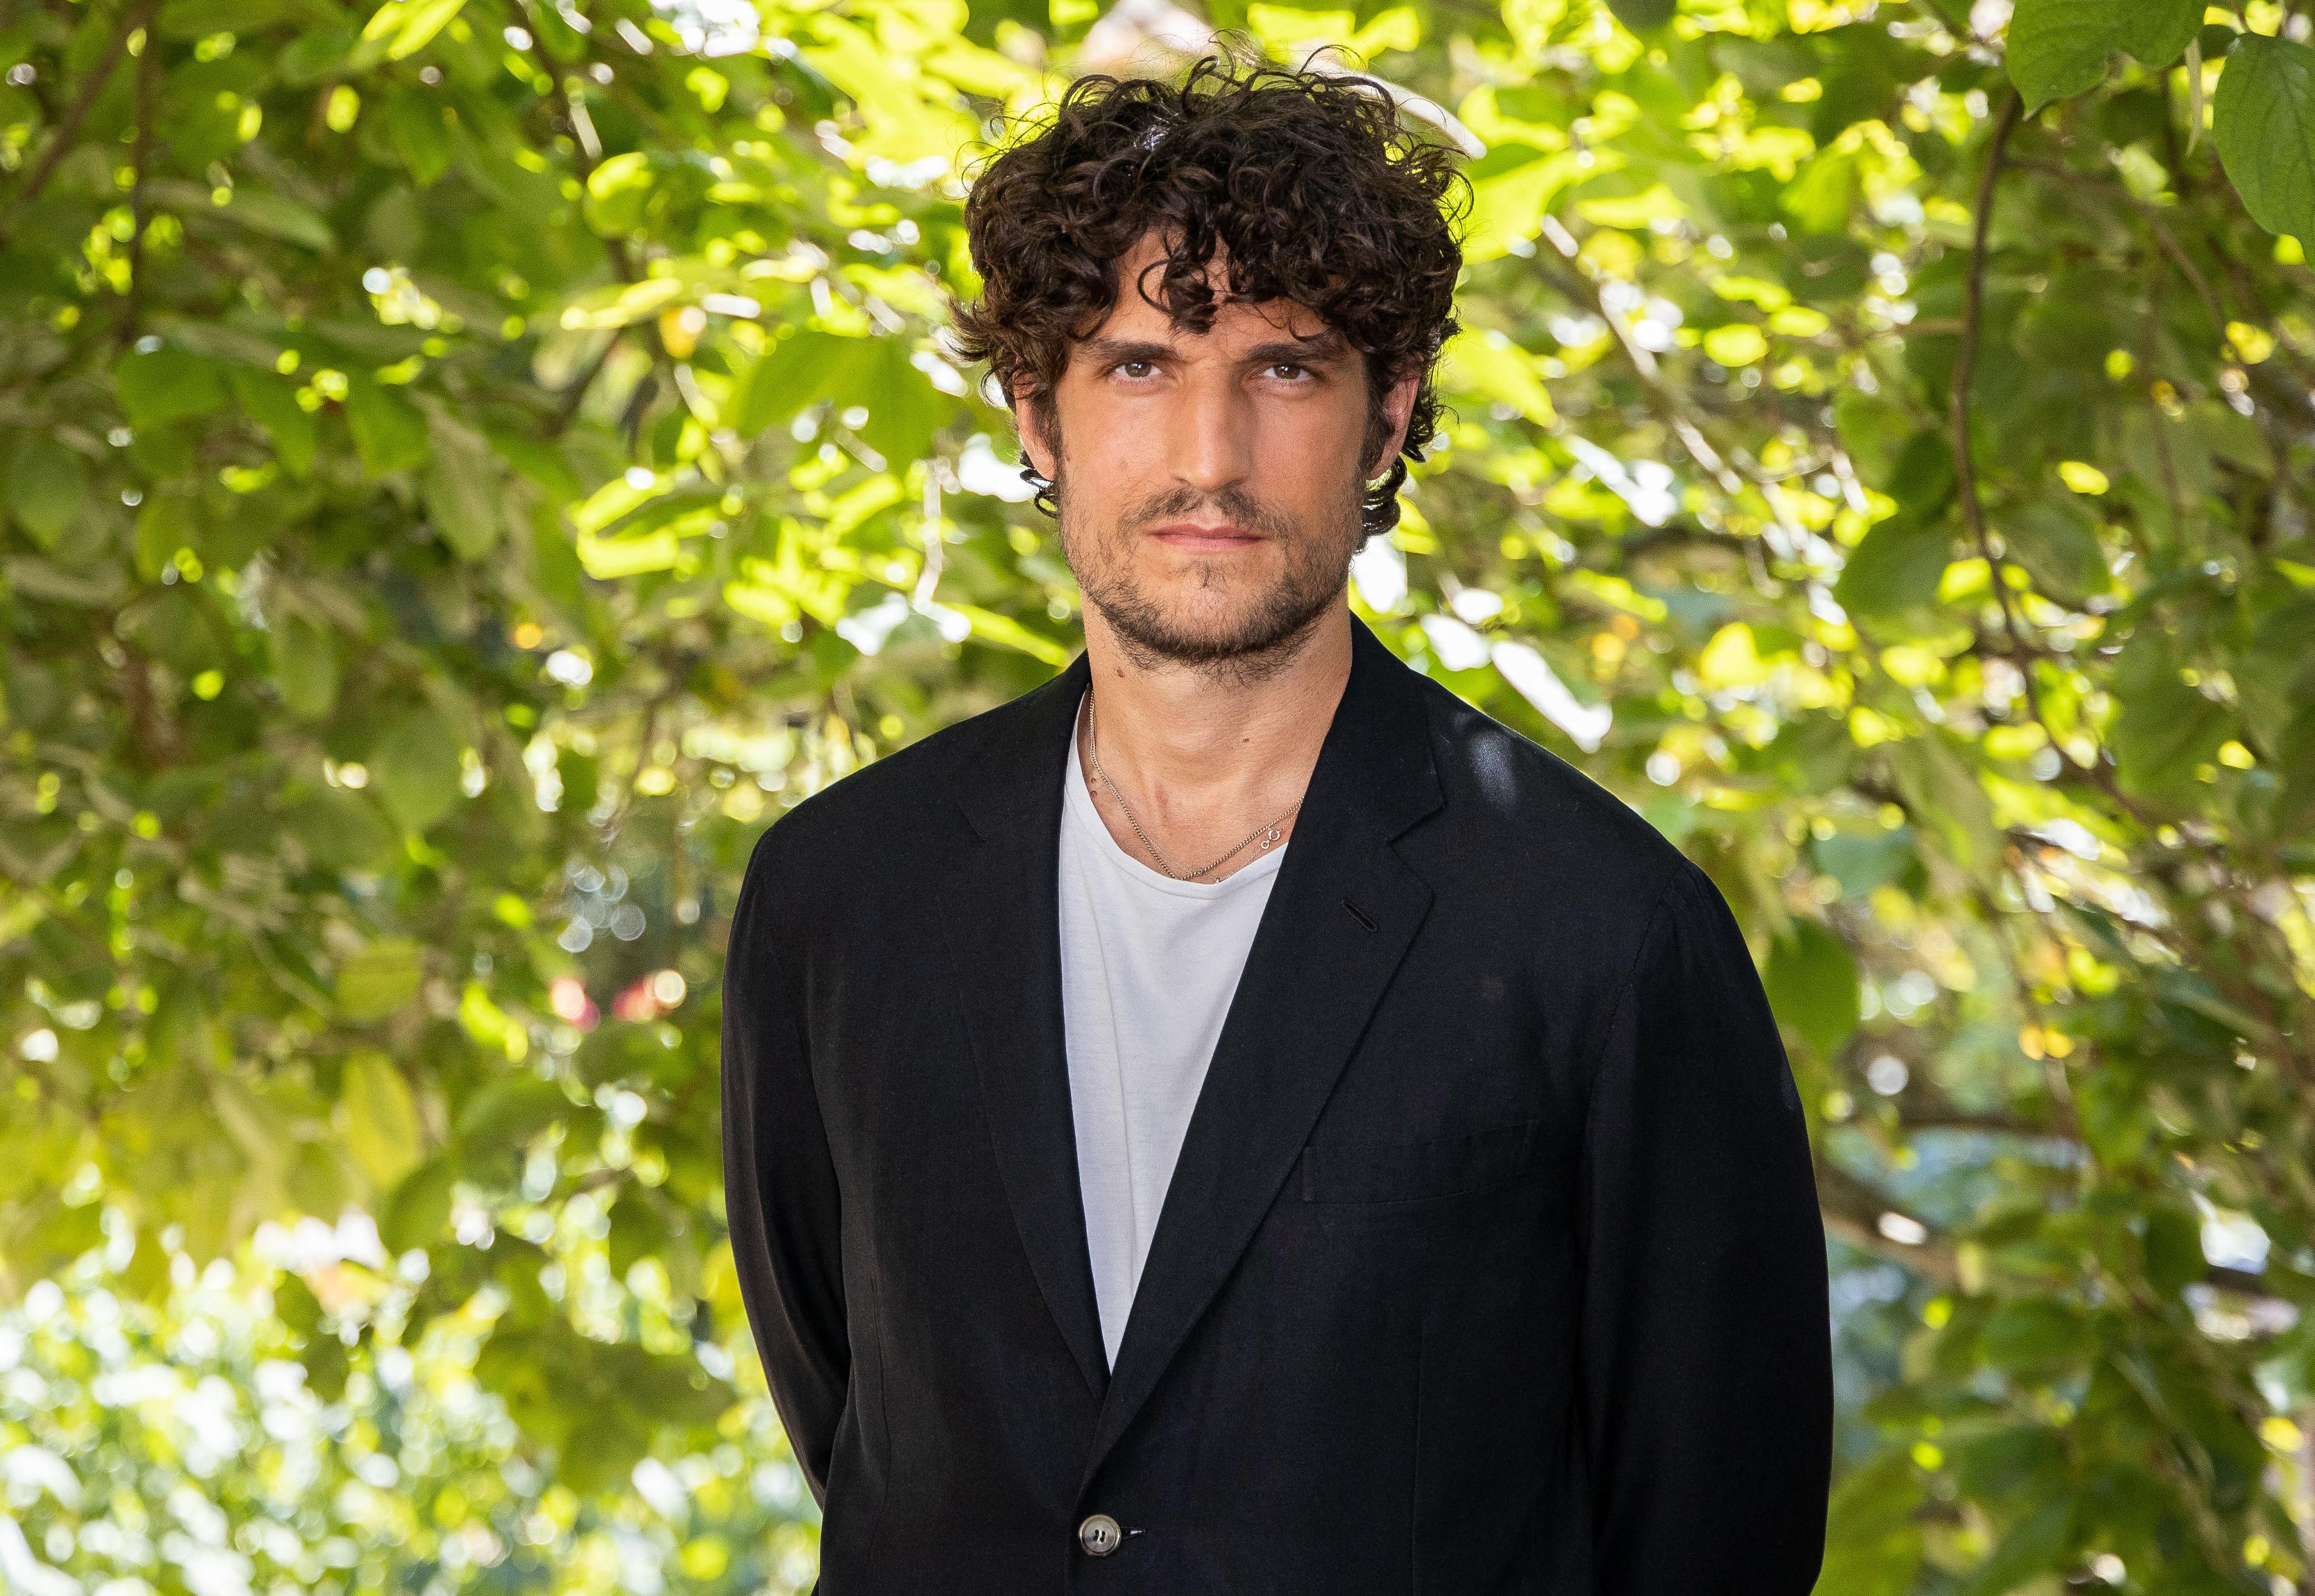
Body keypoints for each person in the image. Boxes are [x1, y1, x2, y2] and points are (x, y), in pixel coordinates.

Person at [720, 60, 1831, 1593]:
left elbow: (1716, 1530)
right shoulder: (840, 895)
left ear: (1389, 418)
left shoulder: (1608, 933)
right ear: (1036, 418)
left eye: (1287, 369)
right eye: (1138, 366)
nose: (1209, 456)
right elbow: (865, 1421)